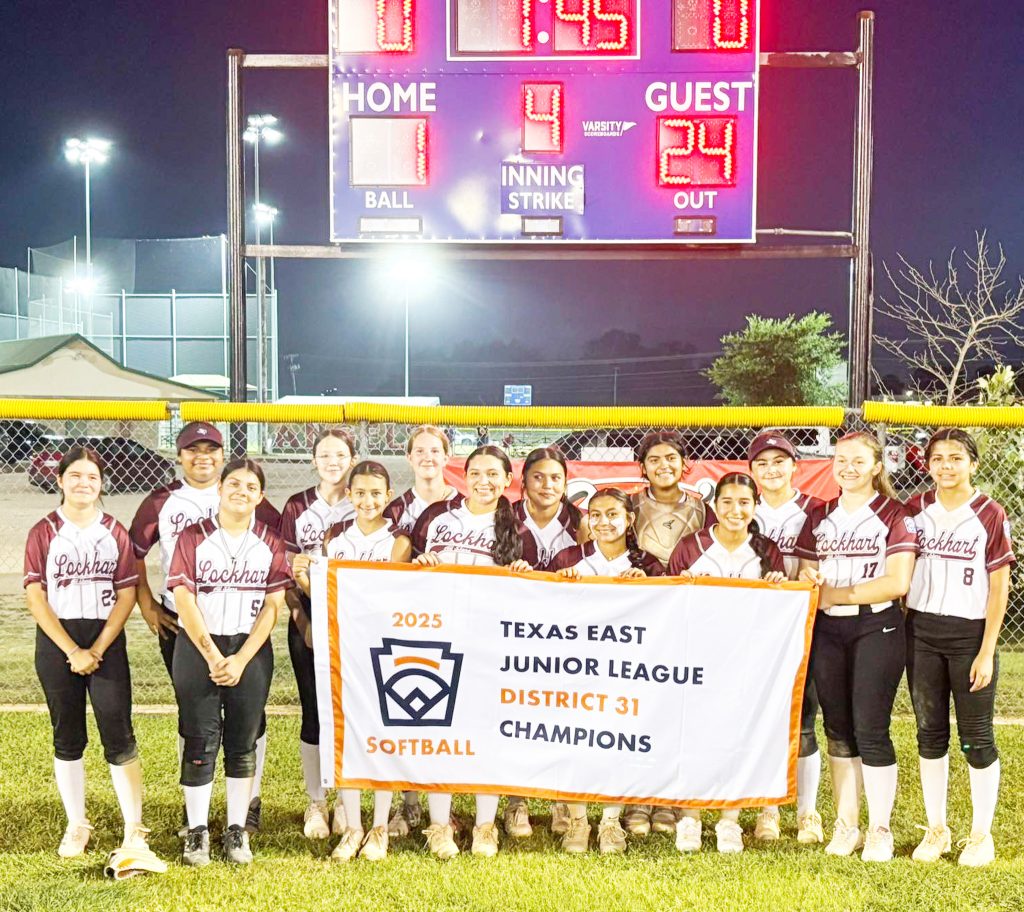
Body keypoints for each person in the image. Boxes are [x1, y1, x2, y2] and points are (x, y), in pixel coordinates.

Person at [130, 422, 281, 833]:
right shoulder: (162, 500)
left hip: (243, 626)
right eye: (192, 450)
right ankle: (193, 805)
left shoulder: (246, 492)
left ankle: (249, 801)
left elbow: (277, 552)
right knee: (194, 714)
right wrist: (147, 604)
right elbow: (135, 552)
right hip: (183, 621)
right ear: (179, 456)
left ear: (222, 455)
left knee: (249, 717)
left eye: (210, 449)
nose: (202, 457)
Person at [796, 431, 918, 862]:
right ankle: (847, 824)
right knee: (837, 728)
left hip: (876, 624)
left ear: (877, 467)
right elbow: (807, 573)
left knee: (870, 727)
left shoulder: (894, 513)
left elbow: (897, 582)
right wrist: (811, 581)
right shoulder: (819, 514)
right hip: (828, 629)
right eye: (841, 460)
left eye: (859, 461)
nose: (848, 468)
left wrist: (837, 594)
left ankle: (880, 828)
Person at [411, 445, 537, 859]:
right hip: (439, 637)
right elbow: (410, 577)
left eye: (493, 474)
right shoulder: (439, 519)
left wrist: (523, 576)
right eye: (476, 473)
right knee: (440, 730)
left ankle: (485, 825)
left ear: (507, 480)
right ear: (463, 476)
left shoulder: (518, 531)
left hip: (488, 642)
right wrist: (422, 564)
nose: (484, 481)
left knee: (487, 731)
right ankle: (439, 824)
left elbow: (527, 598)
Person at [24, 446, 151, 859]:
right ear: (60, 480)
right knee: (67, 735)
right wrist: (72, 650)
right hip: (58, 640)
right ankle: (76, 823)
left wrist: (95, 648)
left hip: (104, 640)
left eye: (92, 477)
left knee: (118, 732)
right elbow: (35, 597)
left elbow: (127, 593)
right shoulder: (43, 531)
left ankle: (134, 828)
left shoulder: (114, 531)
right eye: (75, 476)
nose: (84, 483)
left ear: (101, 484)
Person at [168, 458, 292, 866]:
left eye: (251, 487)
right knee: (200, 737)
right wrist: (213, 655)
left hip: (248, 650)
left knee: (243, 740)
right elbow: (184, 599)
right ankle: (198, 830)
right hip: (199, 647)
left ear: (260, 496)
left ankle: (236, 829)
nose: (242, 491)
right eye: (234, 483)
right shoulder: (193, 536)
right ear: (220, 488)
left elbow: (273, 606)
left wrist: (240, 658)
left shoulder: (270, 540)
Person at [904, 429, 1013, 867]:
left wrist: (987, 650)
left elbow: (999, 586)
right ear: (927, 464)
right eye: (937, 458)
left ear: (973, 463)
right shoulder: (914, 509)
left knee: (976, 738)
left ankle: (981, 834)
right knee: (930, 734)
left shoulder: (989, 512)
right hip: (921, 632)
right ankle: (937, 829)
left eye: (955, 457)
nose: (946, 466)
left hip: (969, 635)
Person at [295, 460, 412, 862]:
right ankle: (353, 826)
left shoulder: (398, 541)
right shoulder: (335, 537)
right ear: (349, 495)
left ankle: (378, 827)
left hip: (382, 647)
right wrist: (304, 580)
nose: (367, 500)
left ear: (388, 496)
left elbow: (394, 598)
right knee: (346, 733)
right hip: (343, 649)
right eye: (359, 493)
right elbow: (326, 595)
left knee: (380, 732)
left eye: (376, 493)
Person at [668, 472, 786, 854]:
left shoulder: (766, 551)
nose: (736, 510)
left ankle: (729, 819)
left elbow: (781, 611)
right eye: (727, 502)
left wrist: (778, 587)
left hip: (748, 661)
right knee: (694, 735)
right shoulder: (692, 546)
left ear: (756, 506)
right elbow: (666, 604)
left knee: (738, 736)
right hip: (698, 657)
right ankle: (690, 817)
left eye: (744, 503)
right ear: (714, 506)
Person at [549, 488, 663, 855]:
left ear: (629, 519)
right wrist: (558, 585)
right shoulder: (569, 558)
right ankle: (578, 820)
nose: (603, 522)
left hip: (625, 668)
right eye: (595, 515)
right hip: (575, 666)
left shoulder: (648, 563)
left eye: (613, 514)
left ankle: (611, 821)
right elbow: (540, 609)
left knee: (617, 741)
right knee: (575, 740)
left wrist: (648, 586)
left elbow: (667, 611)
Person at [623, 430, 713, 835]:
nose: (664, 466)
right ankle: (638, 797)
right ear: (642, 466)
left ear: (684, 463)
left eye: (671, 458)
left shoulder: (702, 509)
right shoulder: (629, 505)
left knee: (678, 707)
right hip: (639, 613)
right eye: (654, 459)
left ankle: (669, 798)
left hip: (684, 614)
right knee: (638, 706)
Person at [747, 432, 826, 844]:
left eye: (779, 461)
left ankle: (807, 812)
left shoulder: (816, 510)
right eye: (762, 463)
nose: (771, 470)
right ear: (751, 470)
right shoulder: (743, 508)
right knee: (763, 718)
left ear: (796, 466)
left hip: (804, 624)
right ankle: (768, 809)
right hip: (755, 628)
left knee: (803, 718)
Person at [279, 429, 357, 841]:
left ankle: (346, 801)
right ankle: (316, 801)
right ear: (313, 460)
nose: (332, 462)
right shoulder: (297, 506)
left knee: (349, 712)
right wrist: (302, 619)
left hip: (354, 619)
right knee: (312, 710)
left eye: (340, 454)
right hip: (309, 617)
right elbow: (286, 572)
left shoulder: (363, 499)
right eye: (324, 455)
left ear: (352, 459)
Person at [382, 424, 459, 837]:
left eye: (436, 451)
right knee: (410, 706)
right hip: (409, 616)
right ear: (409, 458)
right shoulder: (395, 508)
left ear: (447, 457)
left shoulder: (465, 502)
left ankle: (444, 806)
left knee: (450, 712)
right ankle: (408, 802)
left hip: (456, 616)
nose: (428, 458)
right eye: (421, 451)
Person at [506, 446, 584, 839]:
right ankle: (516, 800)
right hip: (515, 628)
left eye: (555, 478)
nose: (547, 485)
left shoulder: (580, 521)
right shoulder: (505, 517)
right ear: (524, 481)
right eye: (538, 477)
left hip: (565, 631)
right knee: (516, 713)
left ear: (566, 483)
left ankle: (561, 799)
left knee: (563, 713)